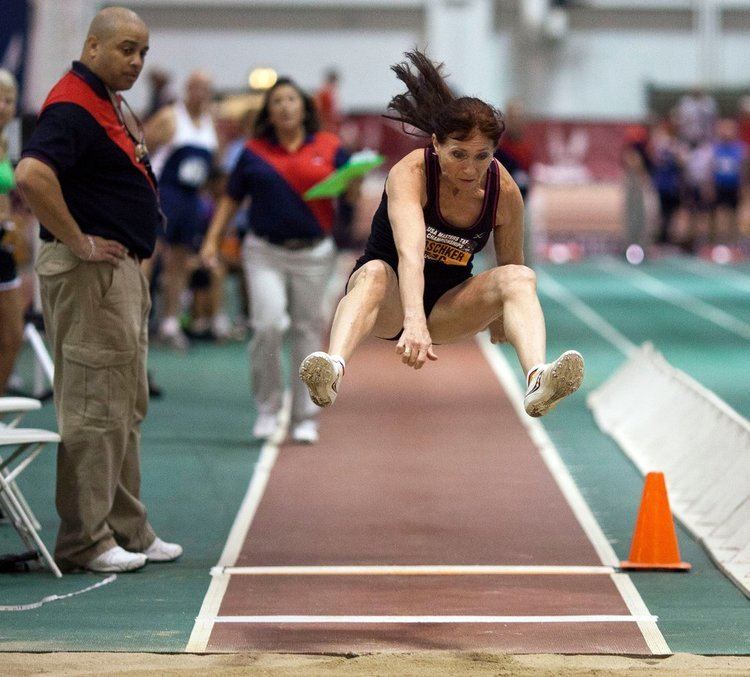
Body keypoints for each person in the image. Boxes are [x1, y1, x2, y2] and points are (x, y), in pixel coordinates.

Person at [299, 50, 584, 418]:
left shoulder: (504, 192)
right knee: (371, 273)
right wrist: (413, 319)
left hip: (449, 305)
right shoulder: (411, 174)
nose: (469, 168)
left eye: (482, 157)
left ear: (495, 153)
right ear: (435, 145)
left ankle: (536, 379)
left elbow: (511, 264)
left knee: (521, 276)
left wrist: (503, 317)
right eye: (458, 154)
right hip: (390, 299)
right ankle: (332, 370)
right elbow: (410, 253)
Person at [15, 7, 182, 573]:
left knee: (124, 405)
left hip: (120, 275)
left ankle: (128, 529)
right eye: (126, 49)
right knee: (93, 408)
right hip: (91, 276)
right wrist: (81, 241)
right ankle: (85, 541)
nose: (136, 61)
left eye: (143, 52)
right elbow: (31, 175)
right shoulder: (71, 103)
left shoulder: (105, 98)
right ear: (92, 47)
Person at [201, 77, 351, 444]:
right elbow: (231, 200)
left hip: (314, 252)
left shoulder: (331, 146)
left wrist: (352, 183)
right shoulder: (253, 152)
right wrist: (211, 241)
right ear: (269, 111)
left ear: (304, 108)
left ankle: (304, 416)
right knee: (267, 325)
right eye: (277, 101)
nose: (284, 106)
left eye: (291, 100)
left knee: (307, 331)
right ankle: (268, 409)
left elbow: (350, 190)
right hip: (264, 251)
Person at [145, 70, 219, 349]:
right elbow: (142, 151)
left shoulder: (210, 123)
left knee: (180, 260)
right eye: (196, 87)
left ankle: (170, 321)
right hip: (166, 193)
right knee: (150, 256)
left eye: (206, 89)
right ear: (187, 89)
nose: (201, 94)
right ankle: (139, 319)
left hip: (192, 199)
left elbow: (213, 165)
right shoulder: (170, 117)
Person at [0, 69, 24, 395]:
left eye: (9, 100)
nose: (3, 106)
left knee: (12, 334)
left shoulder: (7, 141)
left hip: (3, 246)